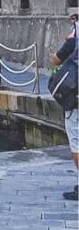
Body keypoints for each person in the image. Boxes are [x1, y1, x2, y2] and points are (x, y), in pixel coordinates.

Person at [52, 15, 79, 200]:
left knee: (77, 142)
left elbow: (57, 59)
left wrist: (53, 56)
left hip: (75, 99)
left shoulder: (74, 39)